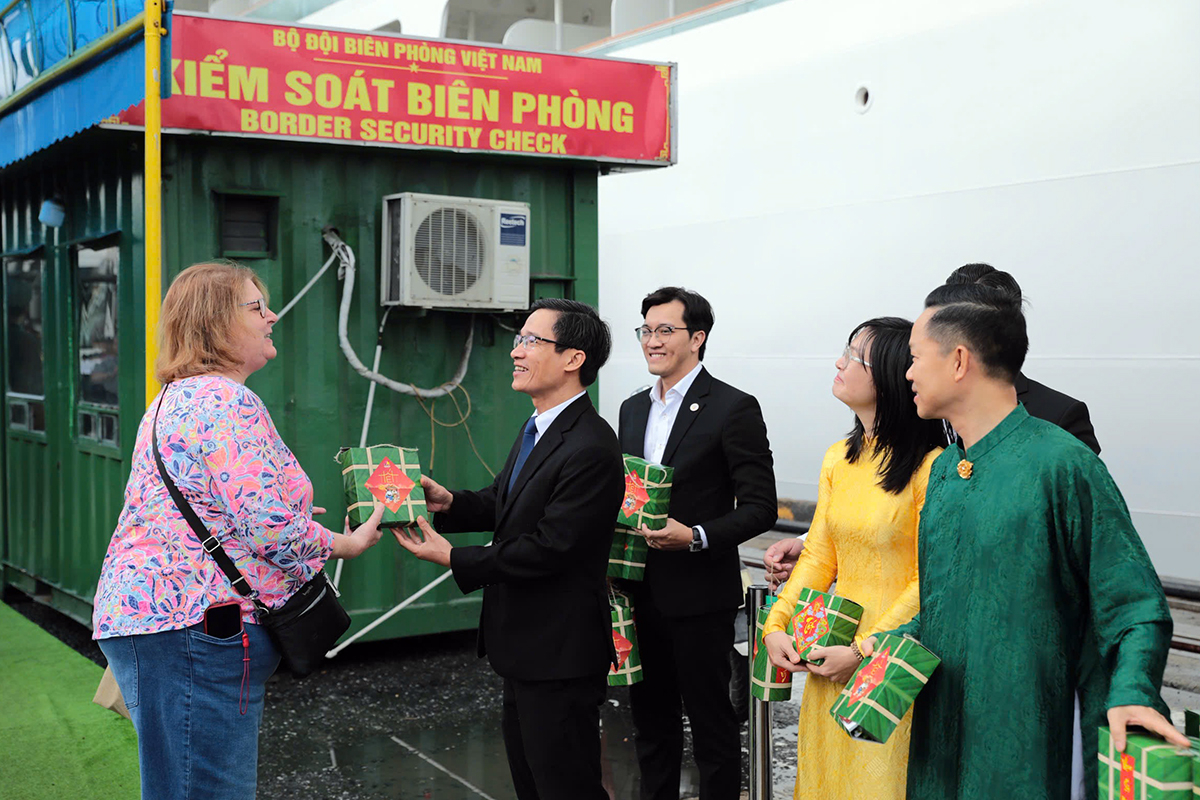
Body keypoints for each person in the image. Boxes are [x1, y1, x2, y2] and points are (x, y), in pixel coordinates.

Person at [861, 278, 1186, 799]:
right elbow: (945, 602)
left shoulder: (1063, 464)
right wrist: (880, 647)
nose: (907, 373)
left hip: (1032, 742)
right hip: (943, 741)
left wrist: (1133, 692)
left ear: (959, 361)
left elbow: (1134, 604)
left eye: (916, 357)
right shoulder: (944, 471)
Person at [92, 261, 385, 800]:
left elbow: (205, 507)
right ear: (215, 322)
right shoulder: (228, 401)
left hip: (154, 619)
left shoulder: (172, 399)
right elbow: (269, 532)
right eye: (257, 307)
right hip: (199, 627)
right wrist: (348, 543)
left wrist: (284, 513)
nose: (272, 316)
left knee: (177, 785)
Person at [394, 298, 624, 800]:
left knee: (566, 788)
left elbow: (552, 547)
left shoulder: (591, 445)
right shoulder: (538, 426)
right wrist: (450, 503)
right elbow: (506, 500)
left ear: (573, 358)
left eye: (530, 341)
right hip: (525, 649)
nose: (516, 352)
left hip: (560, 654)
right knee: (532, 785)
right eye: (519, 340)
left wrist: (453, 557)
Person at [764, 262, 1102, 585]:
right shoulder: (921, 403)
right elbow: (885, 501)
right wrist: (814, 544)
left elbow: (1085, 545)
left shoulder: (1059, 420)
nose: (911, 372)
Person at [761, 317, 943, 800]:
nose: (839, 363)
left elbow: (929, 581)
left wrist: (864, 651)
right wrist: (776, 625)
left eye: (856, 357)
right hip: (829, 652)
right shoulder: (838, 458)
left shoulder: (932, 467)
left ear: (891, 378)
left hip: (888, 662)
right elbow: (819, 558)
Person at [616, 286, 776, 800]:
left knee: (713, 729)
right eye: (646, 330)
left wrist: (697, 536)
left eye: (666, 330)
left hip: (700, 596)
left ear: (698, 337)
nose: (652, 340)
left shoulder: (733, 407)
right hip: (637, 592)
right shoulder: (631, 409)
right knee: (650, 726)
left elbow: (760, 507)